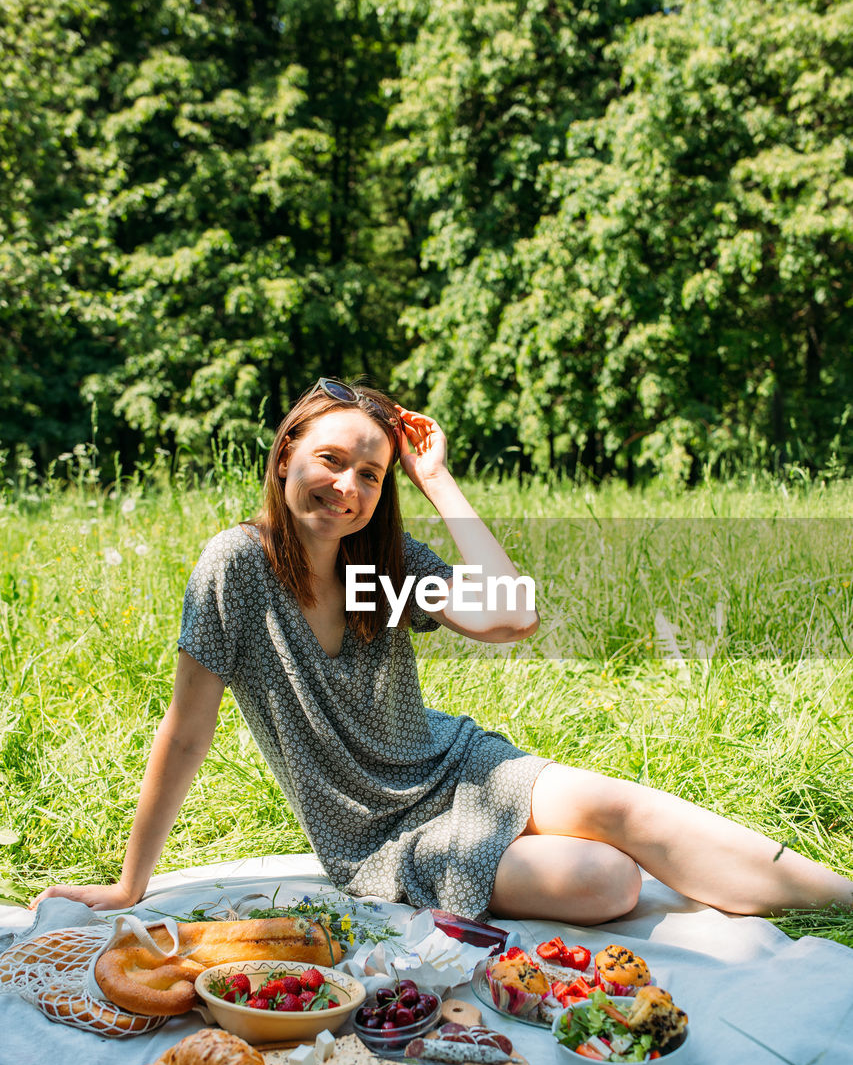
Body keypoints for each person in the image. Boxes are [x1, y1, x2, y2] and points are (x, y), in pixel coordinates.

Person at [32, 381, 853, 920]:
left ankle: (841, 901)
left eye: (370, 473)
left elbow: (511, 617)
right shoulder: (236, 568)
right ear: (284, 455)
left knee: (624, 809)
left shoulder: (377, 570)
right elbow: (186, 729)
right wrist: (130, 884)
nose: (347, 488)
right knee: (608, 880)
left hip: (456, 765)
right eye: (329, 460)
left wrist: (438, 482)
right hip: (379, 835)